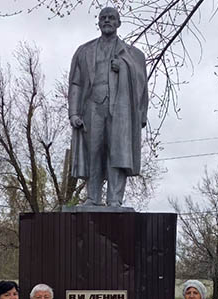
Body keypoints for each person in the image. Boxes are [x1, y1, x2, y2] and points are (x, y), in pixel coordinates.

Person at [68, 6, 148, 207]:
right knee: (93, 153)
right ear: (98, 22)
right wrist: (74, 113)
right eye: (103, 17)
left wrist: (124, 68)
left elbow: (142, 86)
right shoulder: (84, 51)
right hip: (92, 108)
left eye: (111, 18)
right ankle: (93, 197)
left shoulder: (133, 54)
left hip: (120, 110)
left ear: (118, 23)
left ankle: (114, 199)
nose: (107, 21)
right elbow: (76, 83)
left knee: (117, 154)